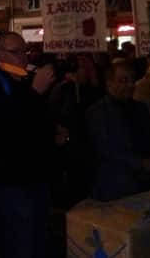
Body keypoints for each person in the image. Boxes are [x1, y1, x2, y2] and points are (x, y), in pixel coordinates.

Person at [0, 32, 56, 258]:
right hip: (11, 181)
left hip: (35, 176)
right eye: (16, 52)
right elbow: (4, 126)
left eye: (25, 51)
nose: (23, 57)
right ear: (0, 54)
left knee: (38, 239)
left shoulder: (23, 79)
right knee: (19, 242)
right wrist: (35, 92)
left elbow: (33, 121)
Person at [86, 61, 150, 201]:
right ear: (109, 83)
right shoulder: (97, 112)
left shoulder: (140, 108)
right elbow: (105, 148)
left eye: (132, 80)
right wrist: (140, 163)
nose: (130, 85)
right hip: (114, 185)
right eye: (123, 81)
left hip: (143, 183)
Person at [48, 54, 104, 207]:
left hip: (86, 147)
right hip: (72, 148)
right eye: (85, 69)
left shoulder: (90, 90)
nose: (88, 72)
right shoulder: (64, 90)